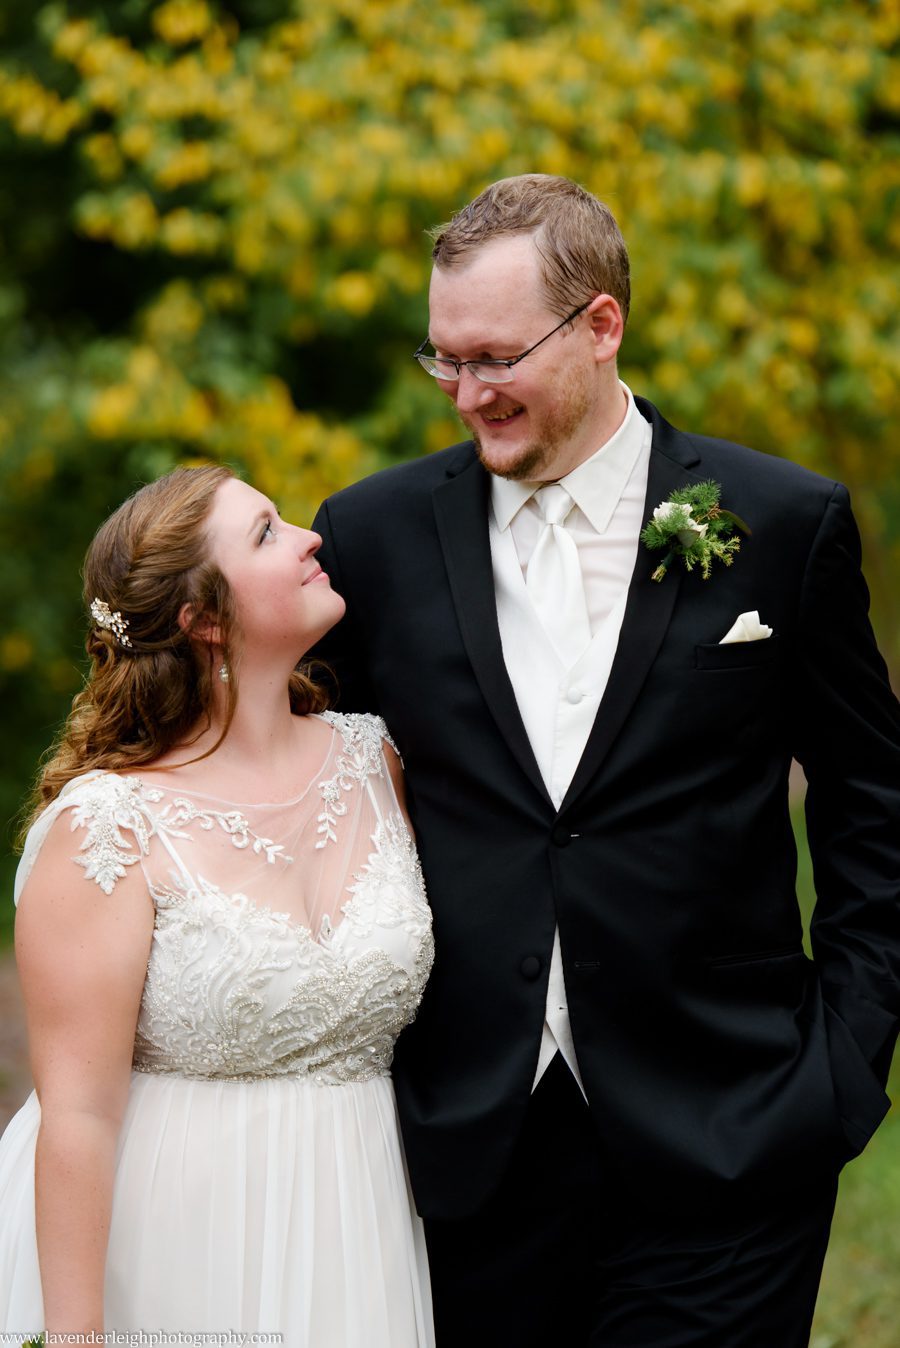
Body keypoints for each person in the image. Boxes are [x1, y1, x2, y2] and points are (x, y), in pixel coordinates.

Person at [311, 174, 900, 1347]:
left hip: (733, 1134)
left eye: (494, 357)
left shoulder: (782, 522)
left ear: (601, 324)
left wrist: (842, 1060)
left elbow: (873, 803)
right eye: (443, 361)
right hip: (466, 1148)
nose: (467, 394)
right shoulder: (369, 537)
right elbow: (306, 782)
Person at [0, 465, 434, 1345]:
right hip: (175, 1242)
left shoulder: (378, 763)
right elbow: (76, 1115)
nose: (313, 538)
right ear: (203, 621)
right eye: (269, 533)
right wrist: (78, 1334)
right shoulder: (107, 825)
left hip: (363, 1228)